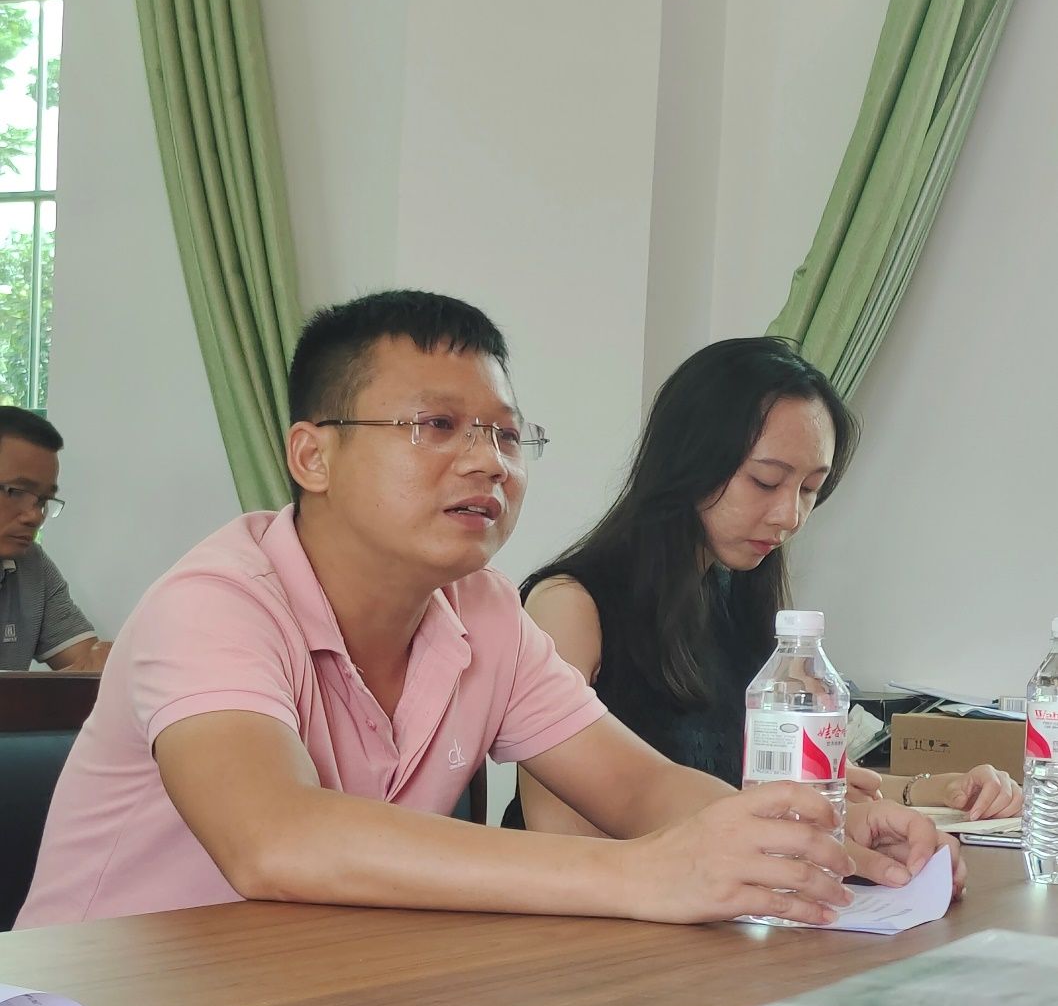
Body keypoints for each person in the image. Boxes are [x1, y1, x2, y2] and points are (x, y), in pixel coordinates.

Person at [17, 293, 957, 930]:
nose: (487, 463)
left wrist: (817, 843)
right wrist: (643, 874)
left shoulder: (486, 614)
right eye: (435, 427)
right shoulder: (215, 602)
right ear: (312, 455)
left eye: (507, 435)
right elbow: (275, 840)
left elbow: (641, 790)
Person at [504, 337, 1020, 838]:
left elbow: (785, 784)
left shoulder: (733, 598)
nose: (790, 515)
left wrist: (932, 790)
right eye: (766, 481)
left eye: (810, 489)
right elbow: (560, 837)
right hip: (627, 893)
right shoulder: (570, 606)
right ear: (690, 461)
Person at [0, 406, 111, 672]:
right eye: (17, 492)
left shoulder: (31, 564)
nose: (35, 516)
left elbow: (93, 665)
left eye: (43, 500)